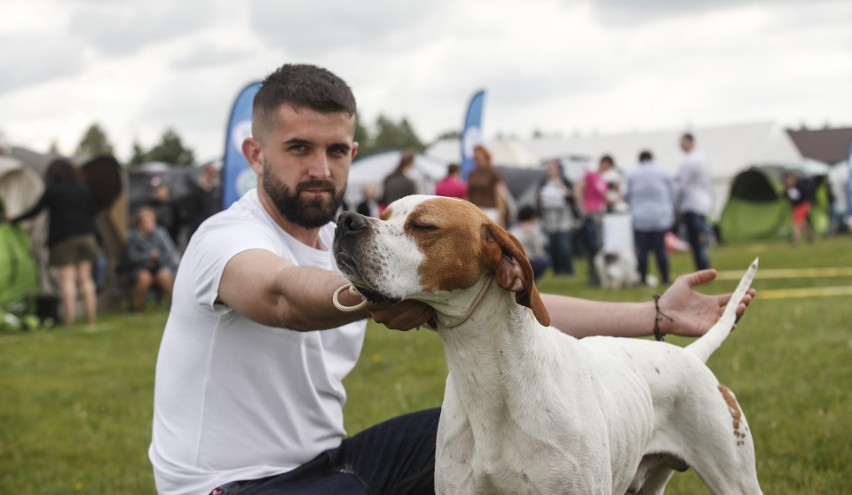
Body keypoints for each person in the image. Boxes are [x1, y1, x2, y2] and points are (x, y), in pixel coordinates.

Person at [149, 63, 756, 495]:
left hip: (332, 464)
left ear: (353, 152)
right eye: (299, 148)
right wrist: (372, 291)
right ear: (255, 154)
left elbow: (518, 305)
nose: (320, 168)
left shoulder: (352, 244)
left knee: (489, 437)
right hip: (232, 486)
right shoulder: (224, 238)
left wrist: (655, 315)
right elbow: (282, 295)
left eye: (336, 150)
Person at [7, 158, 99, 325]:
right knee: (86, 278)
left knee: (67, 279)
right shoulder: (83, 189)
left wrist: (14, 219)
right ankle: (91, 317)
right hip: (87, 237)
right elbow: (94, 212)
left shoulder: (53, 190)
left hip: (64, 239)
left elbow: (35, 210)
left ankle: (69, 319)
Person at [625, 150, 676, 285]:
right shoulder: (663, 172)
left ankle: (642, 279)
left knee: (642, 251)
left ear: (639, 160)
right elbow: (673, 193)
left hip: (640, 218)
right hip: (660, 217)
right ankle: (665, 278)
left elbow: (626, 195)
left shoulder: (632, 173)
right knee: (660, 250)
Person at [126, 207, 179, 311]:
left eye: (150, 221)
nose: (148, 224)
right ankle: (136, 308)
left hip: (161, 266)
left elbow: (169, 253)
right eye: (145, 222)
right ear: (139, 224)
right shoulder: (134, 238)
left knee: (164, 275)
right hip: (142, 268)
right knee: (144, 278)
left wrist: (157, 259)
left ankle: (174, 306)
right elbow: (132, 258)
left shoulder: (161, 235)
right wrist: (148, 257)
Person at [675, 133, 712, 270]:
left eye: (682, 143)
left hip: (691, 204)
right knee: (701, 240)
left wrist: (676, 204)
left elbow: (682, 185)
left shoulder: (690, 161)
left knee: (696, 242)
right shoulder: (703, 158)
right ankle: (704, 267)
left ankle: (702, 269)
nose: (680, 146)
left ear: (689, 142)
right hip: (702, 203)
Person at [537, 159, 579, 275]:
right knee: (553, 246)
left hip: (564, 219)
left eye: (552, 168)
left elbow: (573, 197)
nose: (550, 171)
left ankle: (568, 270)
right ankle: (557, 270)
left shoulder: (566, 181)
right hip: (549, 219)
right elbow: (539, 198)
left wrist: (568, 194)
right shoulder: (544, 182)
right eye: (549, 169)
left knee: (564, 246)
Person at [578, 156, 612, 285]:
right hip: (591, 214)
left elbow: (604, 198)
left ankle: (597, 275)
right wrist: (582, 207)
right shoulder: (591, 175)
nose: (607, 168)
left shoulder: (603, 180)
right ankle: (593, 276)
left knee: (598, 245)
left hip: (600, 213)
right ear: (602, 163)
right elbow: (578, 189)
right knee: (593, 245)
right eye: (607, 165)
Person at [466, 144, 507, 226]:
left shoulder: (494, 174)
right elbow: (468, 195)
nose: (476, 160)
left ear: (485, 157)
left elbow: (499, 195)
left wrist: (501, 215)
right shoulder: (472, 174)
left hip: (490, 211)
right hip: (475, 211)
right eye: (475, 158)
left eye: (478, 157)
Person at [509, 205, 550, 281]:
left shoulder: (514, 229)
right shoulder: (534, 230)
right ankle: (534, 279)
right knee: (546, 259)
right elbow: (538, 248)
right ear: (532, 217)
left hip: (515, 260)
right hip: (530, 260)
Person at [783, 171, 816, 244]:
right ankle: (811, 238)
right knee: (803, 223)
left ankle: (795, 240)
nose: (787, 182)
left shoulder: (800, 186)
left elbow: (807, 195)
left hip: (803, 205)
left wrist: (810, 204)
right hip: (796, 207)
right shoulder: (788, 189)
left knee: (796, 223)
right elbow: (789, 198)